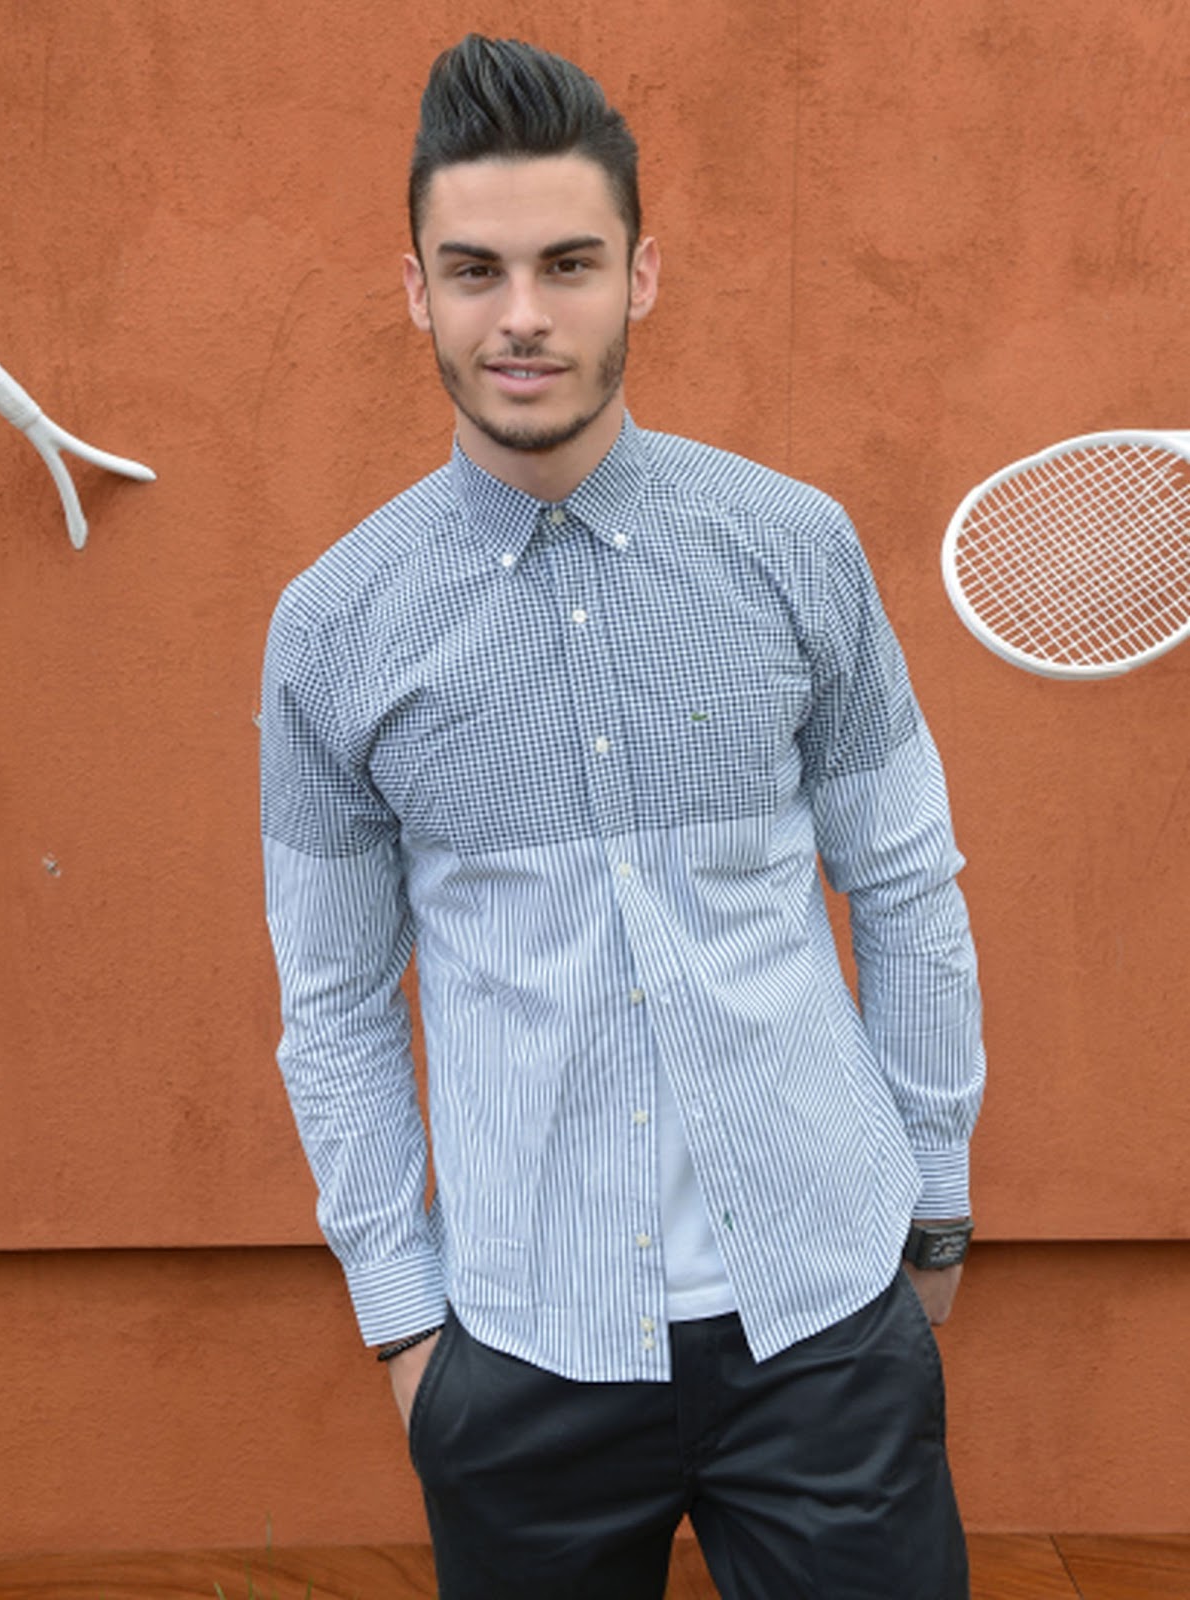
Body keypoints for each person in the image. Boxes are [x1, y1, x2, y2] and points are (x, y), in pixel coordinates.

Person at [261, 33, 985, 1600]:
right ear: (416, 291)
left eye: (568, 264)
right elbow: (330, 1007)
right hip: (523, 1344)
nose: (521, 316)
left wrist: (929, 1217)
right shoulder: (335, 627)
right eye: (474, 271)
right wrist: (405, 1325)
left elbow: (908, 887)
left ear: (640, 276)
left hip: (823, 1322)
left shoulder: (792, 548)